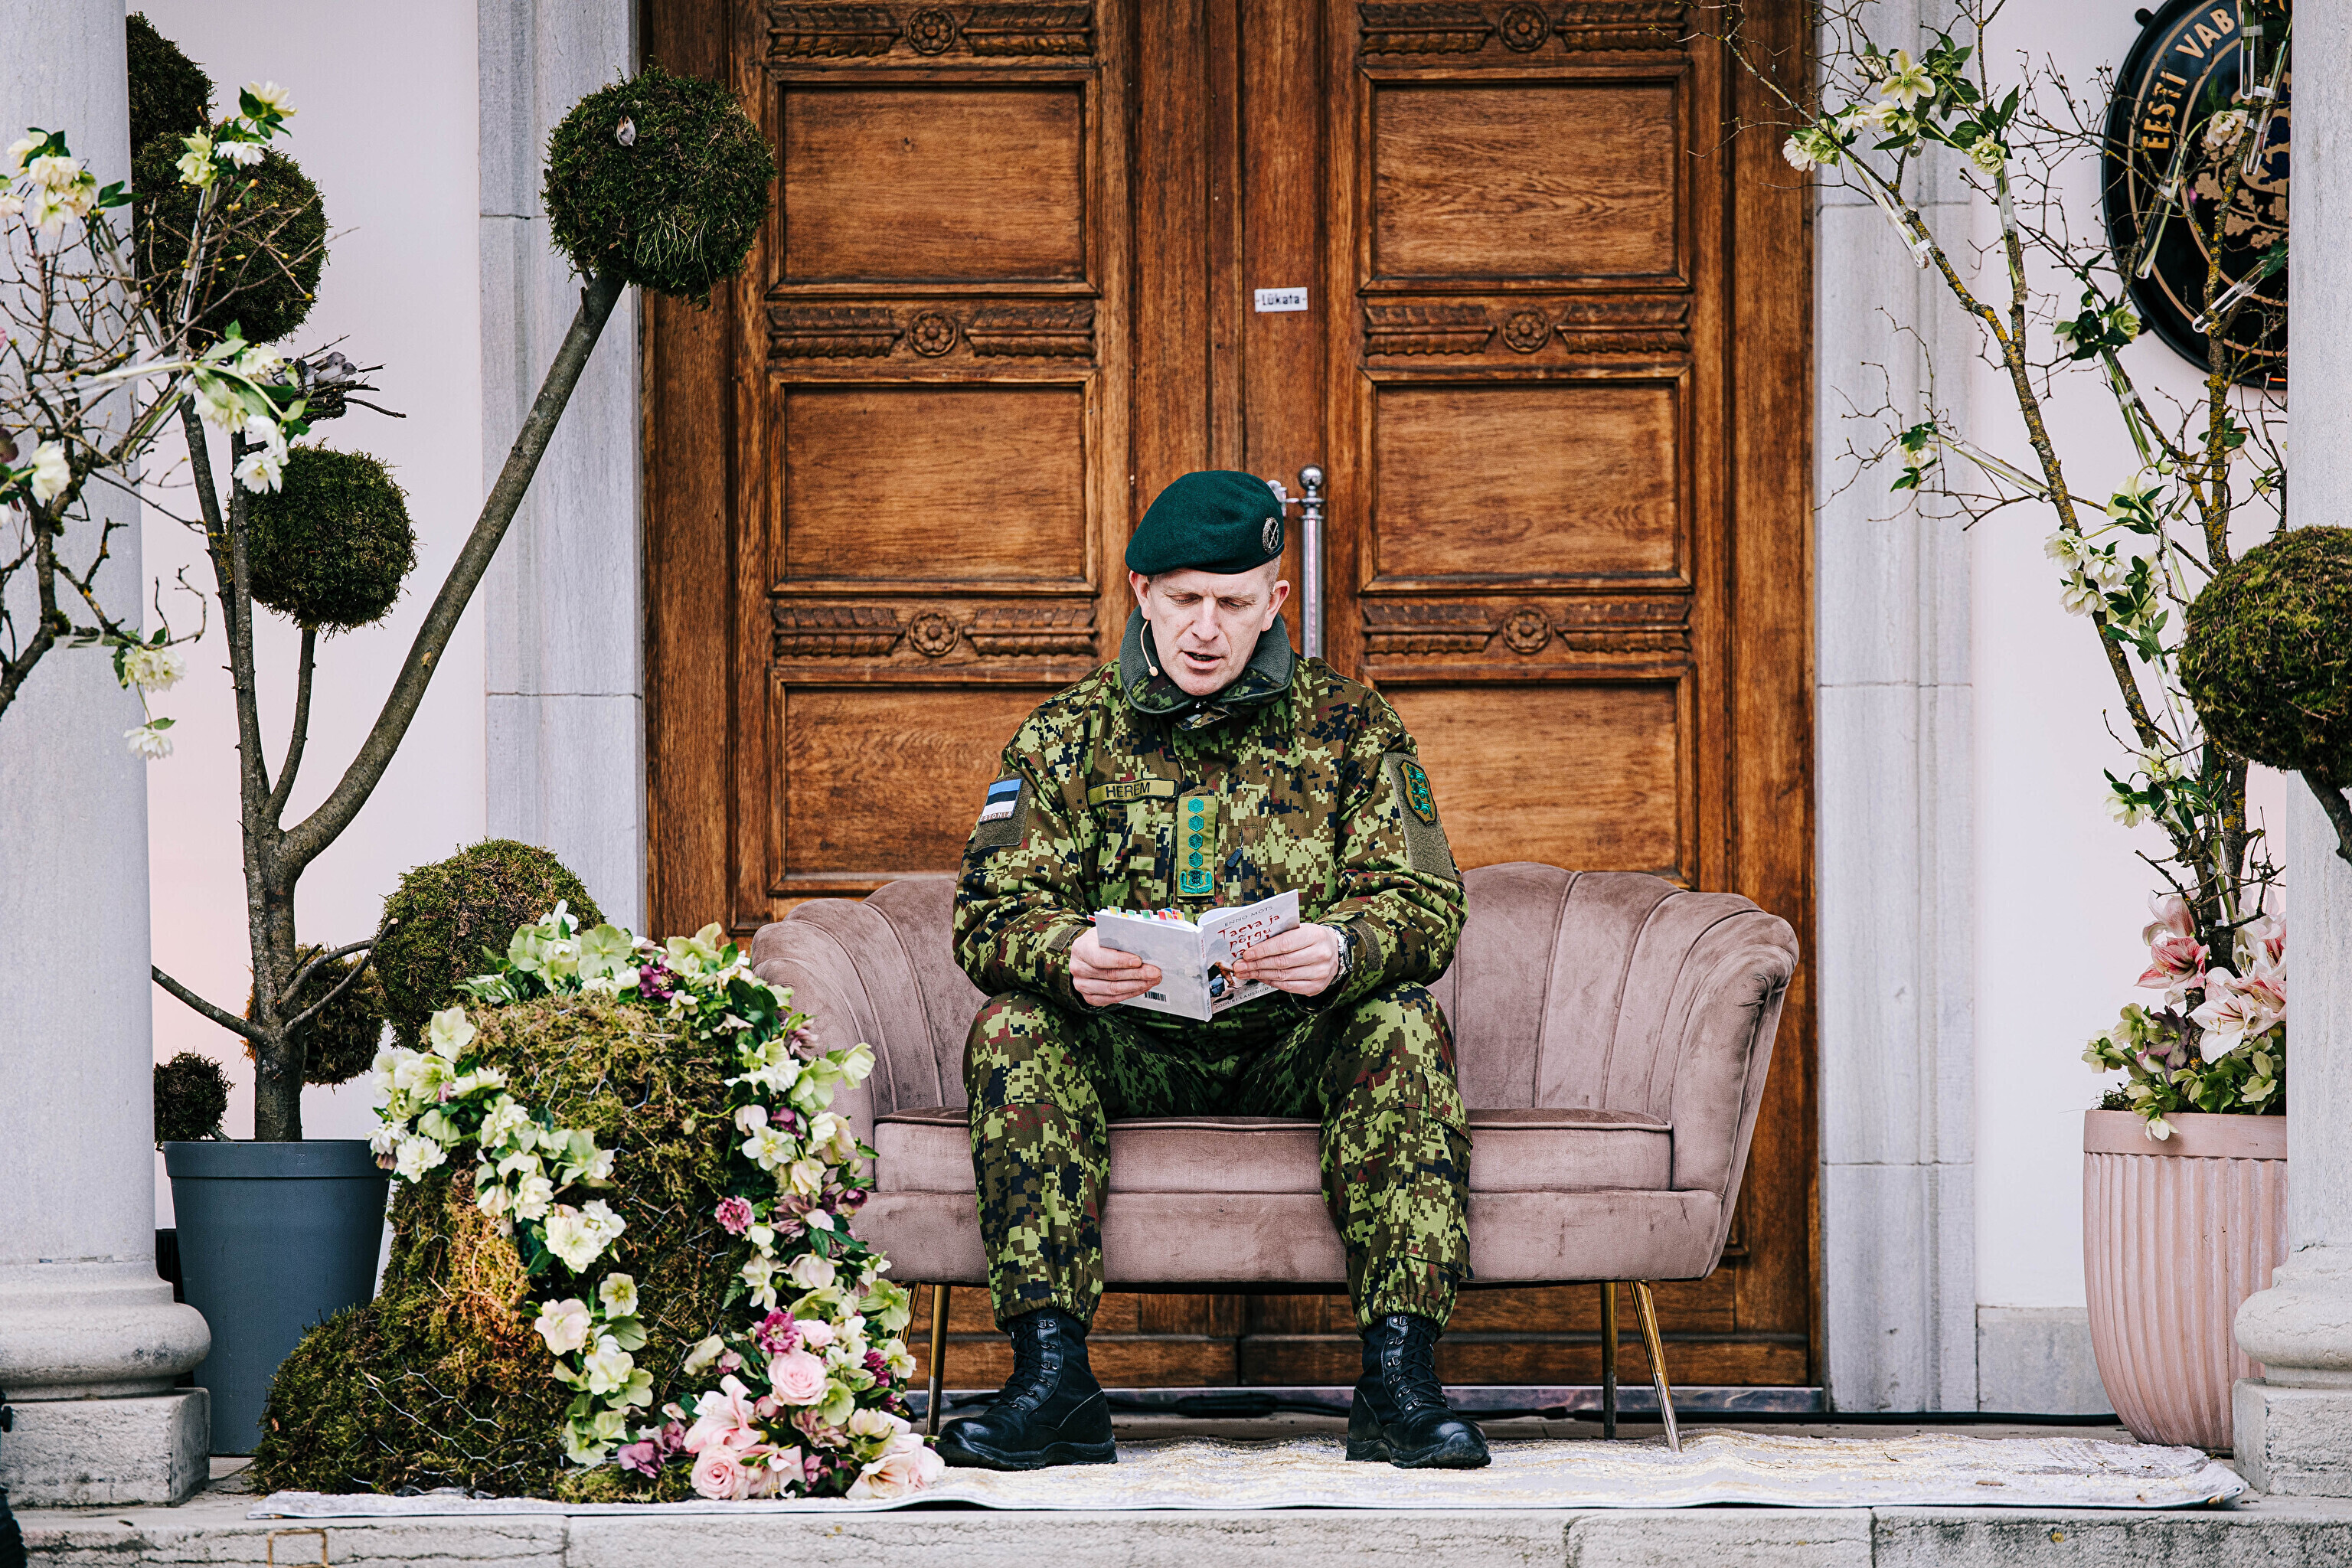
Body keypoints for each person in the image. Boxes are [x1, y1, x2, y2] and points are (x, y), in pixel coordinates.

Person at [942, 469, 1486, 1472]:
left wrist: (1344, 950)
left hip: (1292, 1044)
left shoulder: (1350, 727)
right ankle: (1054, 1382)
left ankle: (1399, 1385)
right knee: (1016, 1027)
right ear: (1140, 591)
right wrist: (1066, 956)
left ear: (1274, 601)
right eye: (1185, 599)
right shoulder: (1065, 736)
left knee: (1401, 1018)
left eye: (1232, 604)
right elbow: (990, 915)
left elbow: (1424, 902)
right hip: (1130, 1046)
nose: (1205, 629)